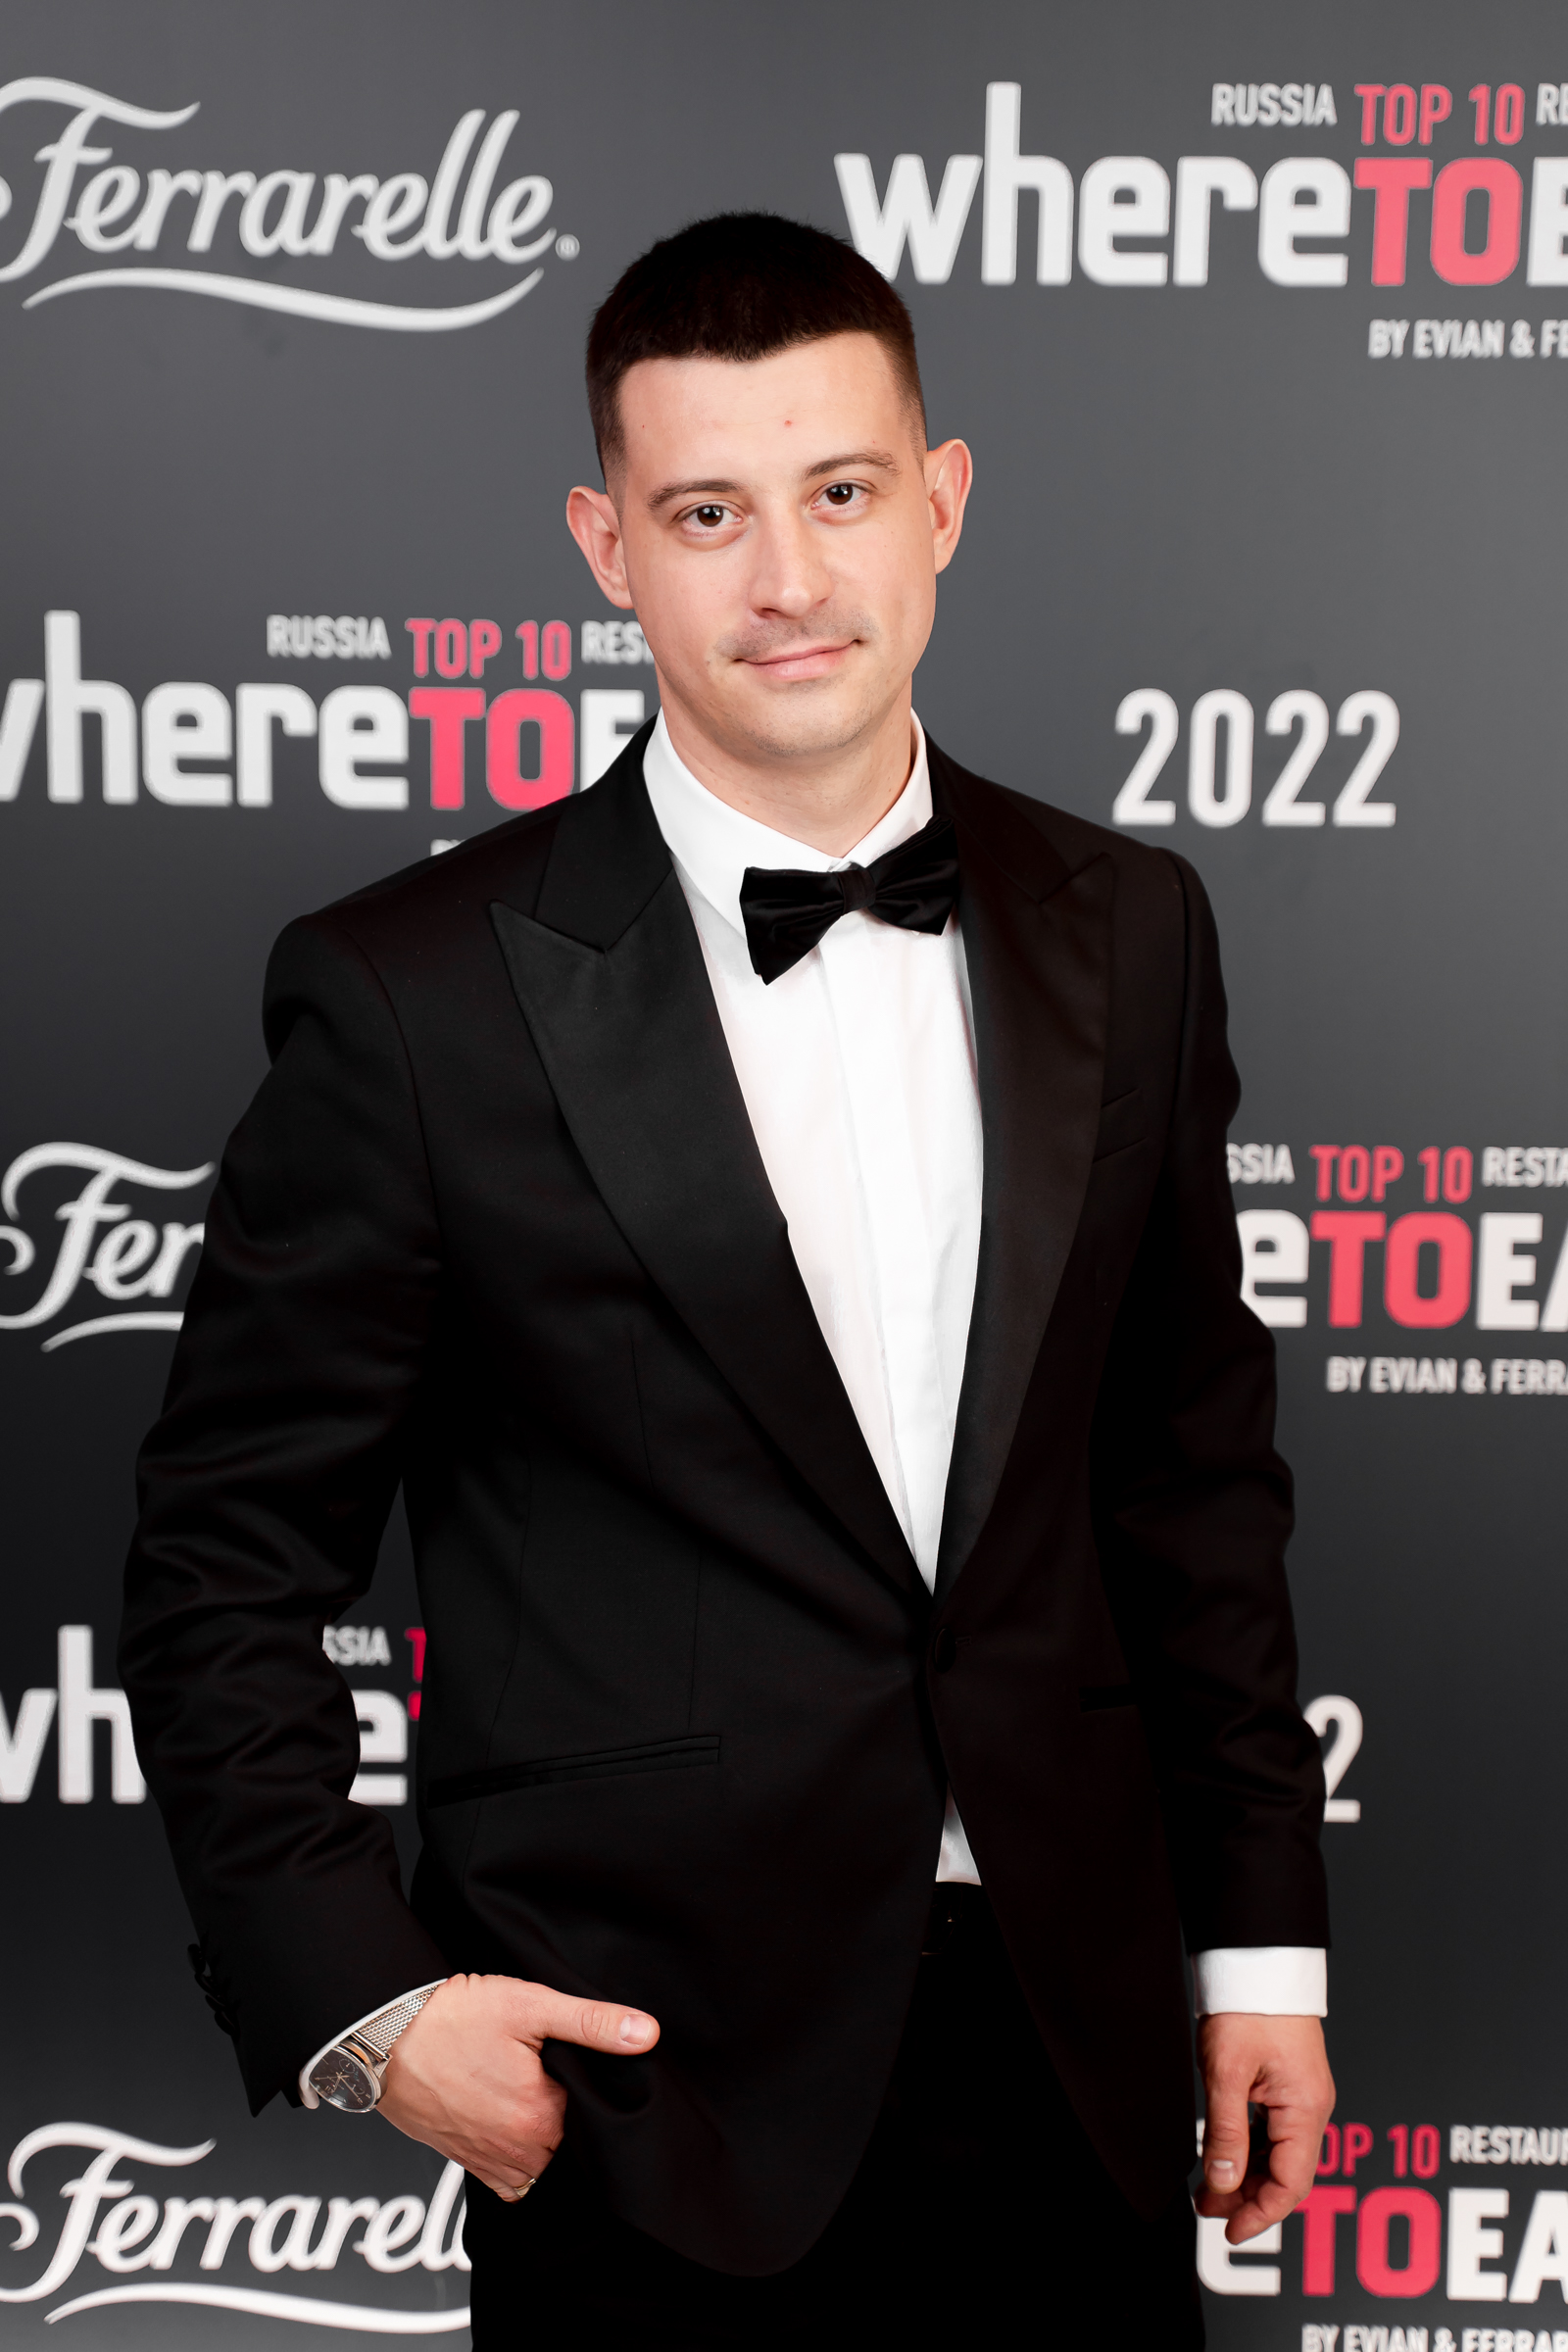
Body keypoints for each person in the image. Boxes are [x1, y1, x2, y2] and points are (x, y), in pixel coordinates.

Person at [121, 212, 1333, 2346]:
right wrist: (367, 2002)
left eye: (839, 492)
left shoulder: (1132, 922)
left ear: (940, 502)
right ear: (607, 548)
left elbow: (1186, 1482)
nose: (787, 577)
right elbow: (225, 1554)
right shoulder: (409, 998)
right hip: (642, 2093)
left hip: (1074, 2049)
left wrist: (1257, 1953)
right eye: (707, 514)